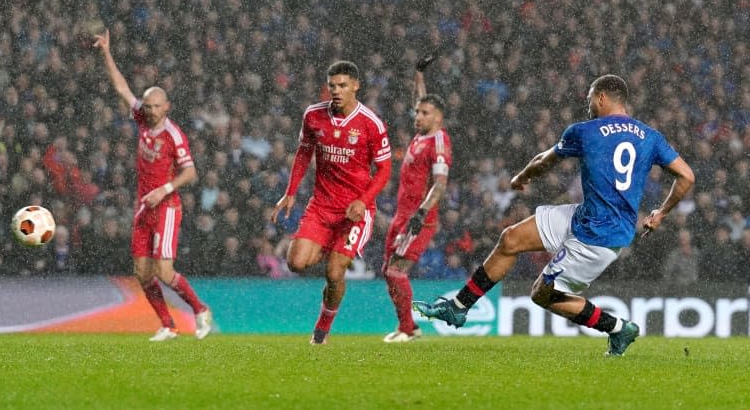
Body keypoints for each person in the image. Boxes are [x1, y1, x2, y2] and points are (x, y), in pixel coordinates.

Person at [414, 74, 695, 357]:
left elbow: (543, 161)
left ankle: (618, 327)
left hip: (598, 237)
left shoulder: (585, 131)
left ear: (601, 98)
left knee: (541, 294)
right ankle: (457, 307)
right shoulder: (650, 136)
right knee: (510, 239)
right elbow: (686, 176)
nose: (588, 106)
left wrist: (522, 177)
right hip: (591, 218)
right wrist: (660, 213)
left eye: (589, 99)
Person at [93, 30, 213, 342]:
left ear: (167, 107)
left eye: (156, 106)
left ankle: (200, 310)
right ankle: (168, 325)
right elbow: (121, 87)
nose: (150, 111)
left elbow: (191, 172)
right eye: (147, 106)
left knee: (164, 271)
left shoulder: (174, 136)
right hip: (144, 208)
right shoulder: (142, 120)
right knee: (142, 273)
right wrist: (106, 51)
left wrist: (165, 189)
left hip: (166, 208)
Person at [271, 60, 392, 344]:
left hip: (355, 211)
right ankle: (328, 245)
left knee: (334, 271)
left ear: (356, 86)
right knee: (296, 263)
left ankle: (321, 331)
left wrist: (363, 201)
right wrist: (290, 192)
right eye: (332, 86)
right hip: (321, 207)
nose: (336, 91)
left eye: (342, 86)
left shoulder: (370, 123)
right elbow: (303, 153)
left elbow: (385, 169)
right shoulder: (313, 115)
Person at [381, 53, 454, 343]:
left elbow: (440, 185)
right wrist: (419, 74)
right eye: (417, 112)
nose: (418, 116)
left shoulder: (438, 143)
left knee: (397, 272)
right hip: (402, 215)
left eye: (424, 114)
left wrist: (421, 215)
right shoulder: (422, 134)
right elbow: (421, 100)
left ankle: (409, 329)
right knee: (388, 272)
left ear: (438, 117)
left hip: (418, 219)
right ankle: (406, 326)